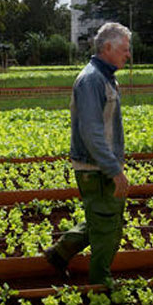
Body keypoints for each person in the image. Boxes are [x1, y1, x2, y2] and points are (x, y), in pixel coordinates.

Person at [44, 22, 131, 287]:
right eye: (125, 49)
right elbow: (92, 132)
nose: (128, 54)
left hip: (100, 165)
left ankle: (59, 254)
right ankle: (100, 283)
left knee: (104, 220)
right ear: (107, 48)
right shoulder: (92, 80)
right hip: (96, 168)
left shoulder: (105, 77)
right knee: (107, 227)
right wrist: (114, 170)